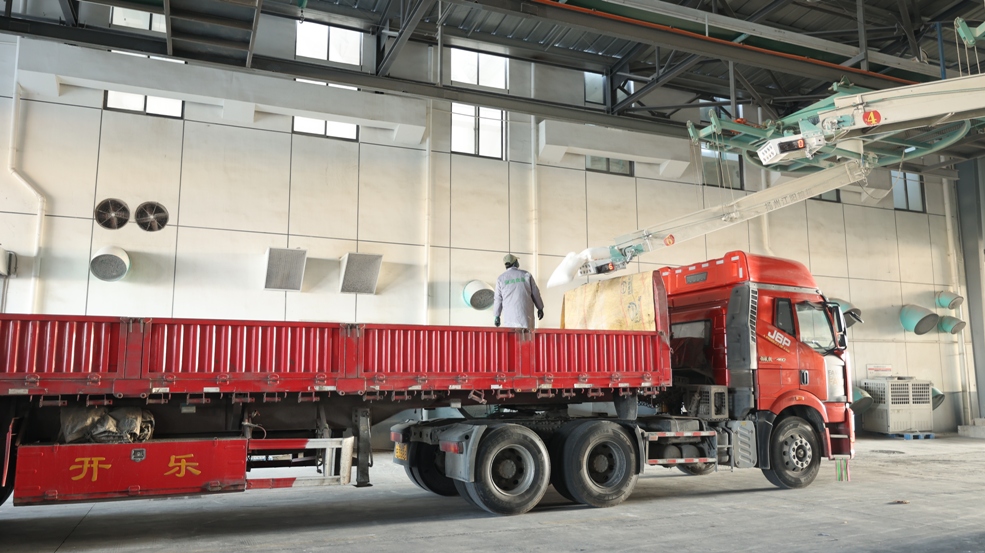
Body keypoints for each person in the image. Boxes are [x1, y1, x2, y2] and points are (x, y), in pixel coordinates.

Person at [493, 254, 544, 329]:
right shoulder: (526, 275)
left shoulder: (501, 279)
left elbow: (498, 299)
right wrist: (540, 308)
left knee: (511, 336)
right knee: (527, 335)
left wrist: (497, 316)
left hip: (510, 320)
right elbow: (535, 293)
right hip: (526, 318)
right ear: (515, 262)